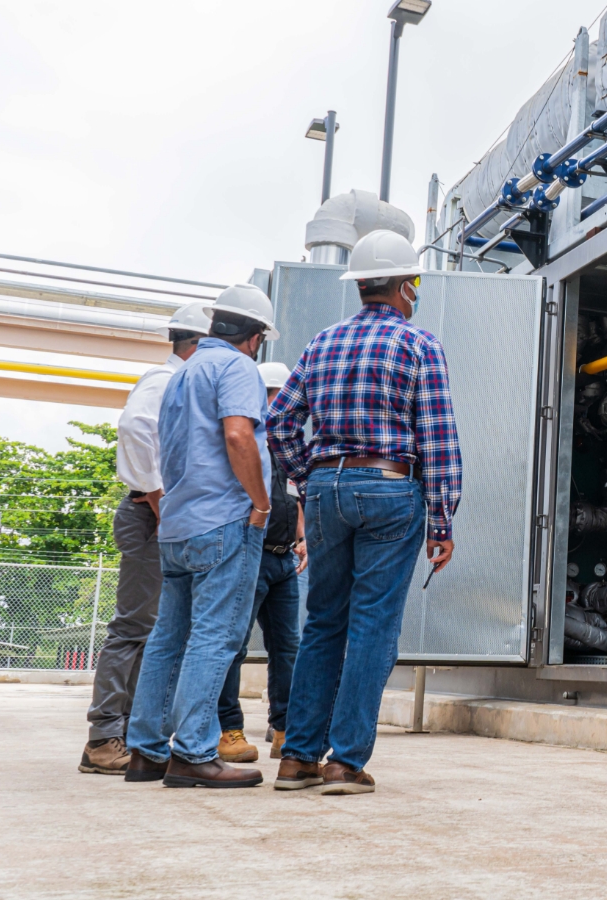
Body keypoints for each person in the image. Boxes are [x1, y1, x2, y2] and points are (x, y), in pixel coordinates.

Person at [268, 230, 461, 795]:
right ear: (405, 286)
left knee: (324, 621)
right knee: (373, 624)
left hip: (327, 487)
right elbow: (439, 440)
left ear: (360, 287)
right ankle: (345, 762)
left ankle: (298, 757)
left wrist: (308, 478)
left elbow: (279, 422)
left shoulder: (321, 343)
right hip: (390, 486)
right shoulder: (419, 345)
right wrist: (442, 520)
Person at [123, 283, 277, 789]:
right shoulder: (237, 368)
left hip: (179, 525)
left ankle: (145, 751)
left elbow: (160, 447)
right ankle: (192, 752)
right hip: (223, 522)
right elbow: (237, 435)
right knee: (215, 637)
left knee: (168, 638)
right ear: (256, 337)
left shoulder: (182, 374)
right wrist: (260, 502)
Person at [78, 302, 210, 775]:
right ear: (196, 345)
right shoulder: (166, 379)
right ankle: (103, 737)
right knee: (134, 627)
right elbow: (135, 427)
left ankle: (128, 733)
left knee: (155, 630)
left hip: (161, 516)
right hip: (148, 516)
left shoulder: (182, 382)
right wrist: (160, 502)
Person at [215, 362, 307, 764]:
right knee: (232, 645)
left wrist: (301, 535)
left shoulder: (287, 445)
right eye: (275, 395)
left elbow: (294, 495)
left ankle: (284, 729)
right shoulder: (245, 442)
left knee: (288, 647)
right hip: (248, 555)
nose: (282, 404)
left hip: (283, 559)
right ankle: (228, 729)